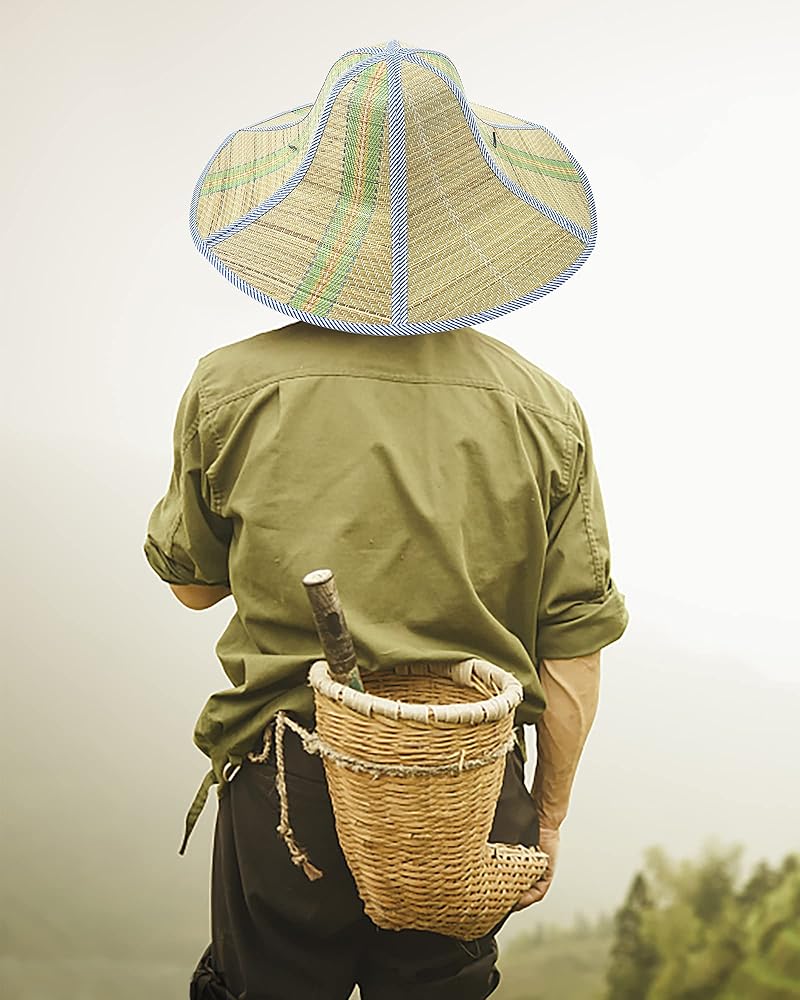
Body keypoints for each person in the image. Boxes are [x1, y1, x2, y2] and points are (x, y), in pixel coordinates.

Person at [144, 38, 629, 1000]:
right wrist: (546, 815)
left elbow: (193, 587)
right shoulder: (545, 410)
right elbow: (572, 651)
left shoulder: (229, 386)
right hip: (467, 788)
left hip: (291, 776)